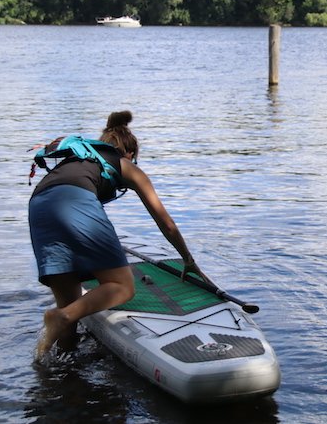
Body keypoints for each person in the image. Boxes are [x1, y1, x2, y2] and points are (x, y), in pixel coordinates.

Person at [28, 110, 209, 356]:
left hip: (39, 205)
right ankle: (62, 317)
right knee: (123, 286)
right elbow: (167, 224)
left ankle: (57, 372)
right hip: (75, 202)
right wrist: (188, 260)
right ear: (131, 153)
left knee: (69, 311)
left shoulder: (78, 156)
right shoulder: (126, 165)